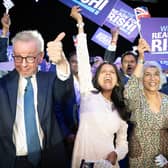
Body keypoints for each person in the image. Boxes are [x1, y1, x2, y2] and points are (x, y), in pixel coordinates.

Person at [0, 30, 72, 168]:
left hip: (48, 159)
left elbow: (64, 93)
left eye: (30, 58)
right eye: (18, 58)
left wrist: (62, 62)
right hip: (13, 161)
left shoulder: (50, 81)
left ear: (40, 57)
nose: (24, 64)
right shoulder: (3, 85)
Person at [70, 6, 129, 168]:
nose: (108, 74)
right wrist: (80, 24)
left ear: (117, 81)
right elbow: (82, 58)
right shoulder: (88, 93)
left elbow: (123, 142)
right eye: (103, 72)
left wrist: (116, 154)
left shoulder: (121, 107)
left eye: (112, 72)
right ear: (96, 77)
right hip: (83, 162)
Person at [124, 38, 168, 167]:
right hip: (139, 159)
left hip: (163, 160)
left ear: (161, 79)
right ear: (142, 79)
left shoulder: (166, 99)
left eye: (156, 74)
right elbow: (130, 90)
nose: (152, 78)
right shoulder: (137, 98)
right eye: (147, 74)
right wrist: (141, 58)